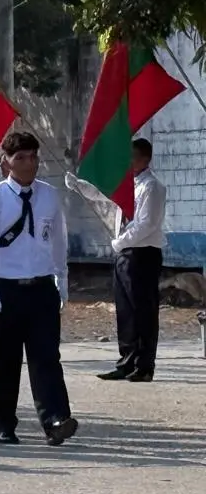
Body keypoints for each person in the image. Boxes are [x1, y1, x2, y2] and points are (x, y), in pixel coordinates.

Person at [0, 130, 77, 447]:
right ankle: (3, 423)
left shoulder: (48, 195)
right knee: (4, 360)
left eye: (32, 157)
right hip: (5, 288)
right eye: (20, 158)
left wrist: (62, 279)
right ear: (6, 162)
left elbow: (58, 241)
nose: (28, 164)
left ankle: (55, 419)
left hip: (41, 286)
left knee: (46, 357)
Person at [99, 137, 166, 383]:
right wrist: (80, 186)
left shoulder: (152, 186)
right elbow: (104, 201)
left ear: (145, 158)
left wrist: (120, 241)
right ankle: (126, 361)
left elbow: (146, 224)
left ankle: (144, 365)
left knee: (143, 311)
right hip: (125, 253)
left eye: (132, 157)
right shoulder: (128, 185)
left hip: (143, 253)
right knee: (125, 311)